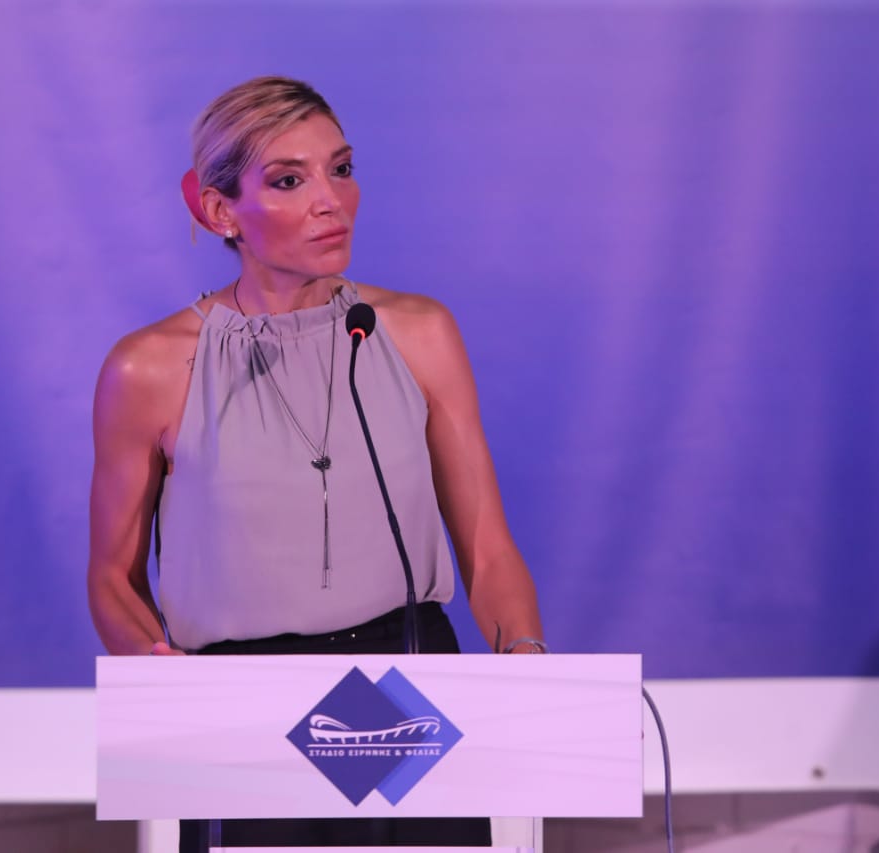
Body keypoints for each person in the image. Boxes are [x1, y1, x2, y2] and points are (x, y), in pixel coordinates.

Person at [87, 76, 545, 849]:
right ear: (218, 210)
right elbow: (110, 577)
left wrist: (527, 667)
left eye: (342, 168)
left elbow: (489, 550)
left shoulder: (419, 333)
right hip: (241, 710)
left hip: (410, 691)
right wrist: (159, 670)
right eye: (289, 180)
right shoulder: (148, 369)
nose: (332, 200)